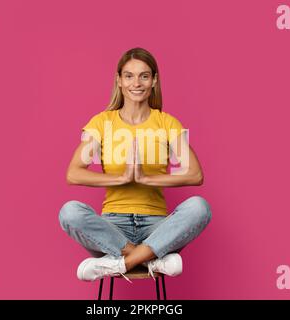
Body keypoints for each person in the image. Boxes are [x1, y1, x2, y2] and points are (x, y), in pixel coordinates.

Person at [59, 47, 212, 282]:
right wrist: (121, 179)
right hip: (113, 227)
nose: (136, 83)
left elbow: (195, 174)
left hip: (157, 226)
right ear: (119, 80)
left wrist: (146, 179)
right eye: (129, 75)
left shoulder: (166, 123)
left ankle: (119, 264)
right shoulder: (102, 123)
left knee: (199, 207)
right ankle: (152, 259)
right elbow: (73, 173)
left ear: (154, 80)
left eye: (144, 76)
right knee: (70, 212)